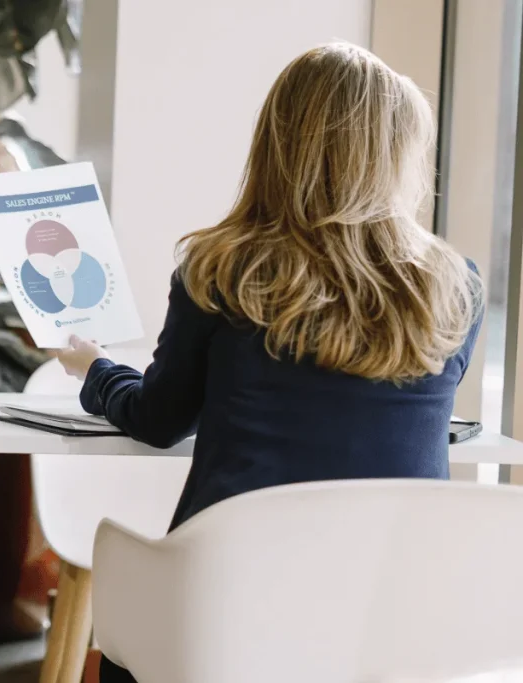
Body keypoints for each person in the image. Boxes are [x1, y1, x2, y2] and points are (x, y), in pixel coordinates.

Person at [55, 42, 484, 683]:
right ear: (400, 159)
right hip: (389, 618)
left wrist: (95, 368)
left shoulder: (220, 270)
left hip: (226, 609)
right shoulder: (455, 288)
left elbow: (159, 417)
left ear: (278, 146)